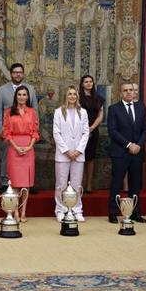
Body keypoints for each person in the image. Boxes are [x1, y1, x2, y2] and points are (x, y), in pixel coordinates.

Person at [107, 82, 146, 224]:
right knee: (117, 184)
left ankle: (135, 213)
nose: (129, 92)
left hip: (137, 152)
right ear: (121, 93)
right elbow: (112, 131)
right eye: (125, 90)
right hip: (120, 152)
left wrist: (138, 145)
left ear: (134, 92)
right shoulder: (113, 109)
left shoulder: (141, 107)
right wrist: (128, 144)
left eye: (131, 90)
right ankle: (113, 213)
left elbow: (145, 130)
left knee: (135, 184)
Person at [0, 63, 38, 192]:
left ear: (23, 74)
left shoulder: (30, 89)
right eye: (15, 72)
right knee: (6, 159)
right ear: (11, 74)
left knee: (26, 161)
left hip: (27, 135)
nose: (18, 74)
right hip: (8, 133)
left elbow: (35, 110)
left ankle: (26, 183)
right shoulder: (2, 90)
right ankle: (5, 182)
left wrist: (34, 134)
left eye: (20, 72)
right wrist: (1, 132)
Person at [2, 85, 39, 222]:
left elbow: (35, 131)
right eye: (19, 94)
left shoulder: (32, 112)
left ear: (28, 97)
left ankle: (23, 213)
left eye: (24, 94)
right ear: (15, 96)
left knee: (26, 184)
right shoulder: (9, 112)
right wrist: (16, 147)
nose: (22, 97)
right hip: (14, 148)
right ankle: (15, 212)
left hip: (29, 148)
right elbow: (6, 132)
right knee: (16, 183)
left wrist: (29, 146)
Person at [53, 85, 89, 222]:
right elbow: (56, 133)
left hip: (79, 154)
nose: (72, 96)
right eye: (69, 94)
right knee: (61, 184)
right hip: (63, 154)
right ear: (65, 96)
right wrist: (67, 151)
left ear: (77, 96)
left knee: (77, 184)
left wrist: (79, 150)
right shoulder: (58, 112)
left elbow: (86, 133)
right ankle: (60, 209)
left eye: (74, 94)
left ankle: (76, 209)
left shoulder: (83, 112)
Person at [78, 74, 104, 193]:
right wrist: (84, 129)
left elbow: (101, 115)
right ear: (82, 84)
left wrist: (92, 128)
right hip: (78, 131)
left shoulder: (98, 98)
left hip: (93, 131)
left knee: (90, 157)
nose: (89, 83)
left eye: (90, 81)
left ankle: (88, 185)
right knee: (79, 157)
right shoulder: (77, 97)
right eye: (86, 82)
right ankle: (78, 184)